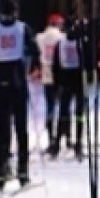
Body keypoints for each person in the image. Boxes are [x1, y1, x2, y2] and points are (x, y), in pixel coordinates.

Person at [0, 0, 40, 188]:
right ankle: (23, 171)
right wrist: (33, 67)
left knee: (1, 127)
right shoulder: (23, 28)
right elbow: (35, 50)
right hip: (17, 80)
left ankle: (0, 168)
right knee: (21, 128)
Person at [51, 21, 89, 159]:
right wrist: (56, 84)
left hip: (77, 81)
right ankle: (58, 142)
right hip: (67, 80)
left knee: (78, 113)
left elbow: (88, 61)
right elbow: (55, 65)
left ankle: (77, 142)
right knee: (64, 112)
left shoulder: (82, 43)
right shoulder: (61, 43)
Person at [36, 13, 65, 154]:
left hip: (46, 73)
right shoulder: (62, 37)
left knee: (50, 107)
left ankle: (51, 137)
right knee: (63, 107)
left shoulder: (40, 37)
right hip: (61, 74)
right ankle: (63, 136)